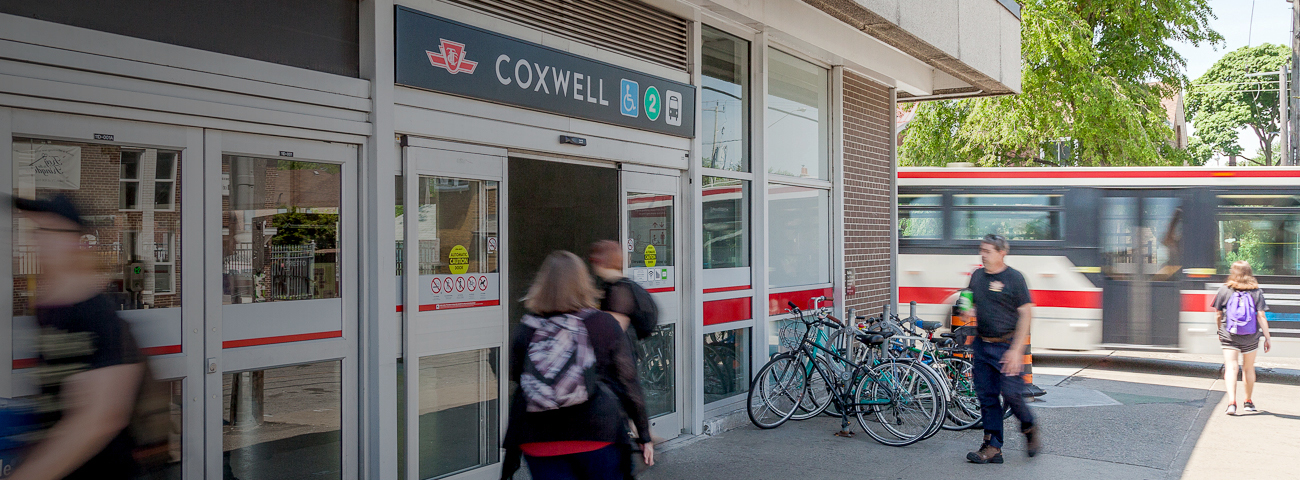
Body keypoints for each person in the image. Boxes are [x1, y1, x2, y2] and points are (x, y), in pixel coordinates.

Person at [10, 195, 147, 480]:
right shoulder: (48, 312)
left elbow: (100, 419)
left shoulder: (98, 316)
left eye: (47, 231)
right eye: (35, 232)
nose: (37, 241)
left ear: (73, 240)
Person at [502, 251, 653, 480]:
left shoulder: (527, 328)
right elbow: (628, 380)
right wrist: (643, 435)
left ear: (541, 285)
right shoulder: (602, 324)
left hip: (540, 440)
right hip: (596, 434)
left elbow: (516, 378)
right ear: (583, 282)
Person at [962, 234, 1040, 464]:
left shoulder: (1014, 278)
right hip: (982, 345)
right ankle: (993, 446)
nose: (983, 255)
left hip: (1007, 346)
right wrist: (967, 309)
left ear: (1001, 253)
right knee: (986, 397)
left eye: (987, 251)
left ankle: (1029, 427)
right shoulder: (977, 275)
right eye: (981, 250)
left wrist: (1017, 350)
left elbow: (1026, 313)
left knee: (1012, 394)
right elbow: (967, 296)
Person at [1214, 260, 1272, 415]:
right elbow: (1261, 316)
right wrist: (1267, 337)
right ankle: (1248, 401)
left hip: (1229, 334)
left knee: (1231, 367)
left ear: (1233, 272)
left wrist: (1219, 330)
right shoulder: (1256, 291)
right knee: (1248, 368)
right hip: (1250, 336)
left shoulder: (1224, 290)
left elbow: (1218, 314)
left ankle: (1232, 403)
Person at [589, 240, 658, 340]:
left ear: (600, 261)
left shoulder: (619, 290)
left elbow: (613, 330)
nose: (592, 264)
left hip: (621, 353)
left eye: (592, 259)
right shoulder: (617, 285)